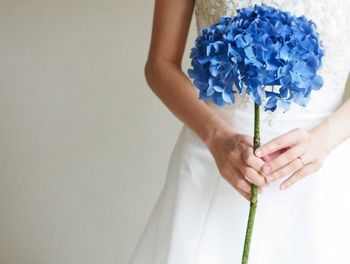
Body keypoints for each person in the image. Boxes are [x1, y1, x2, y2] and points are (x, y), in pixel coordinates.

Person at [129, 0, 350, 263]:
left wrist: (323, 141)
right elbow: (160, 64)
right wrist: (217, 137)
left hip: (322, 167)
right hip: (213, 157)